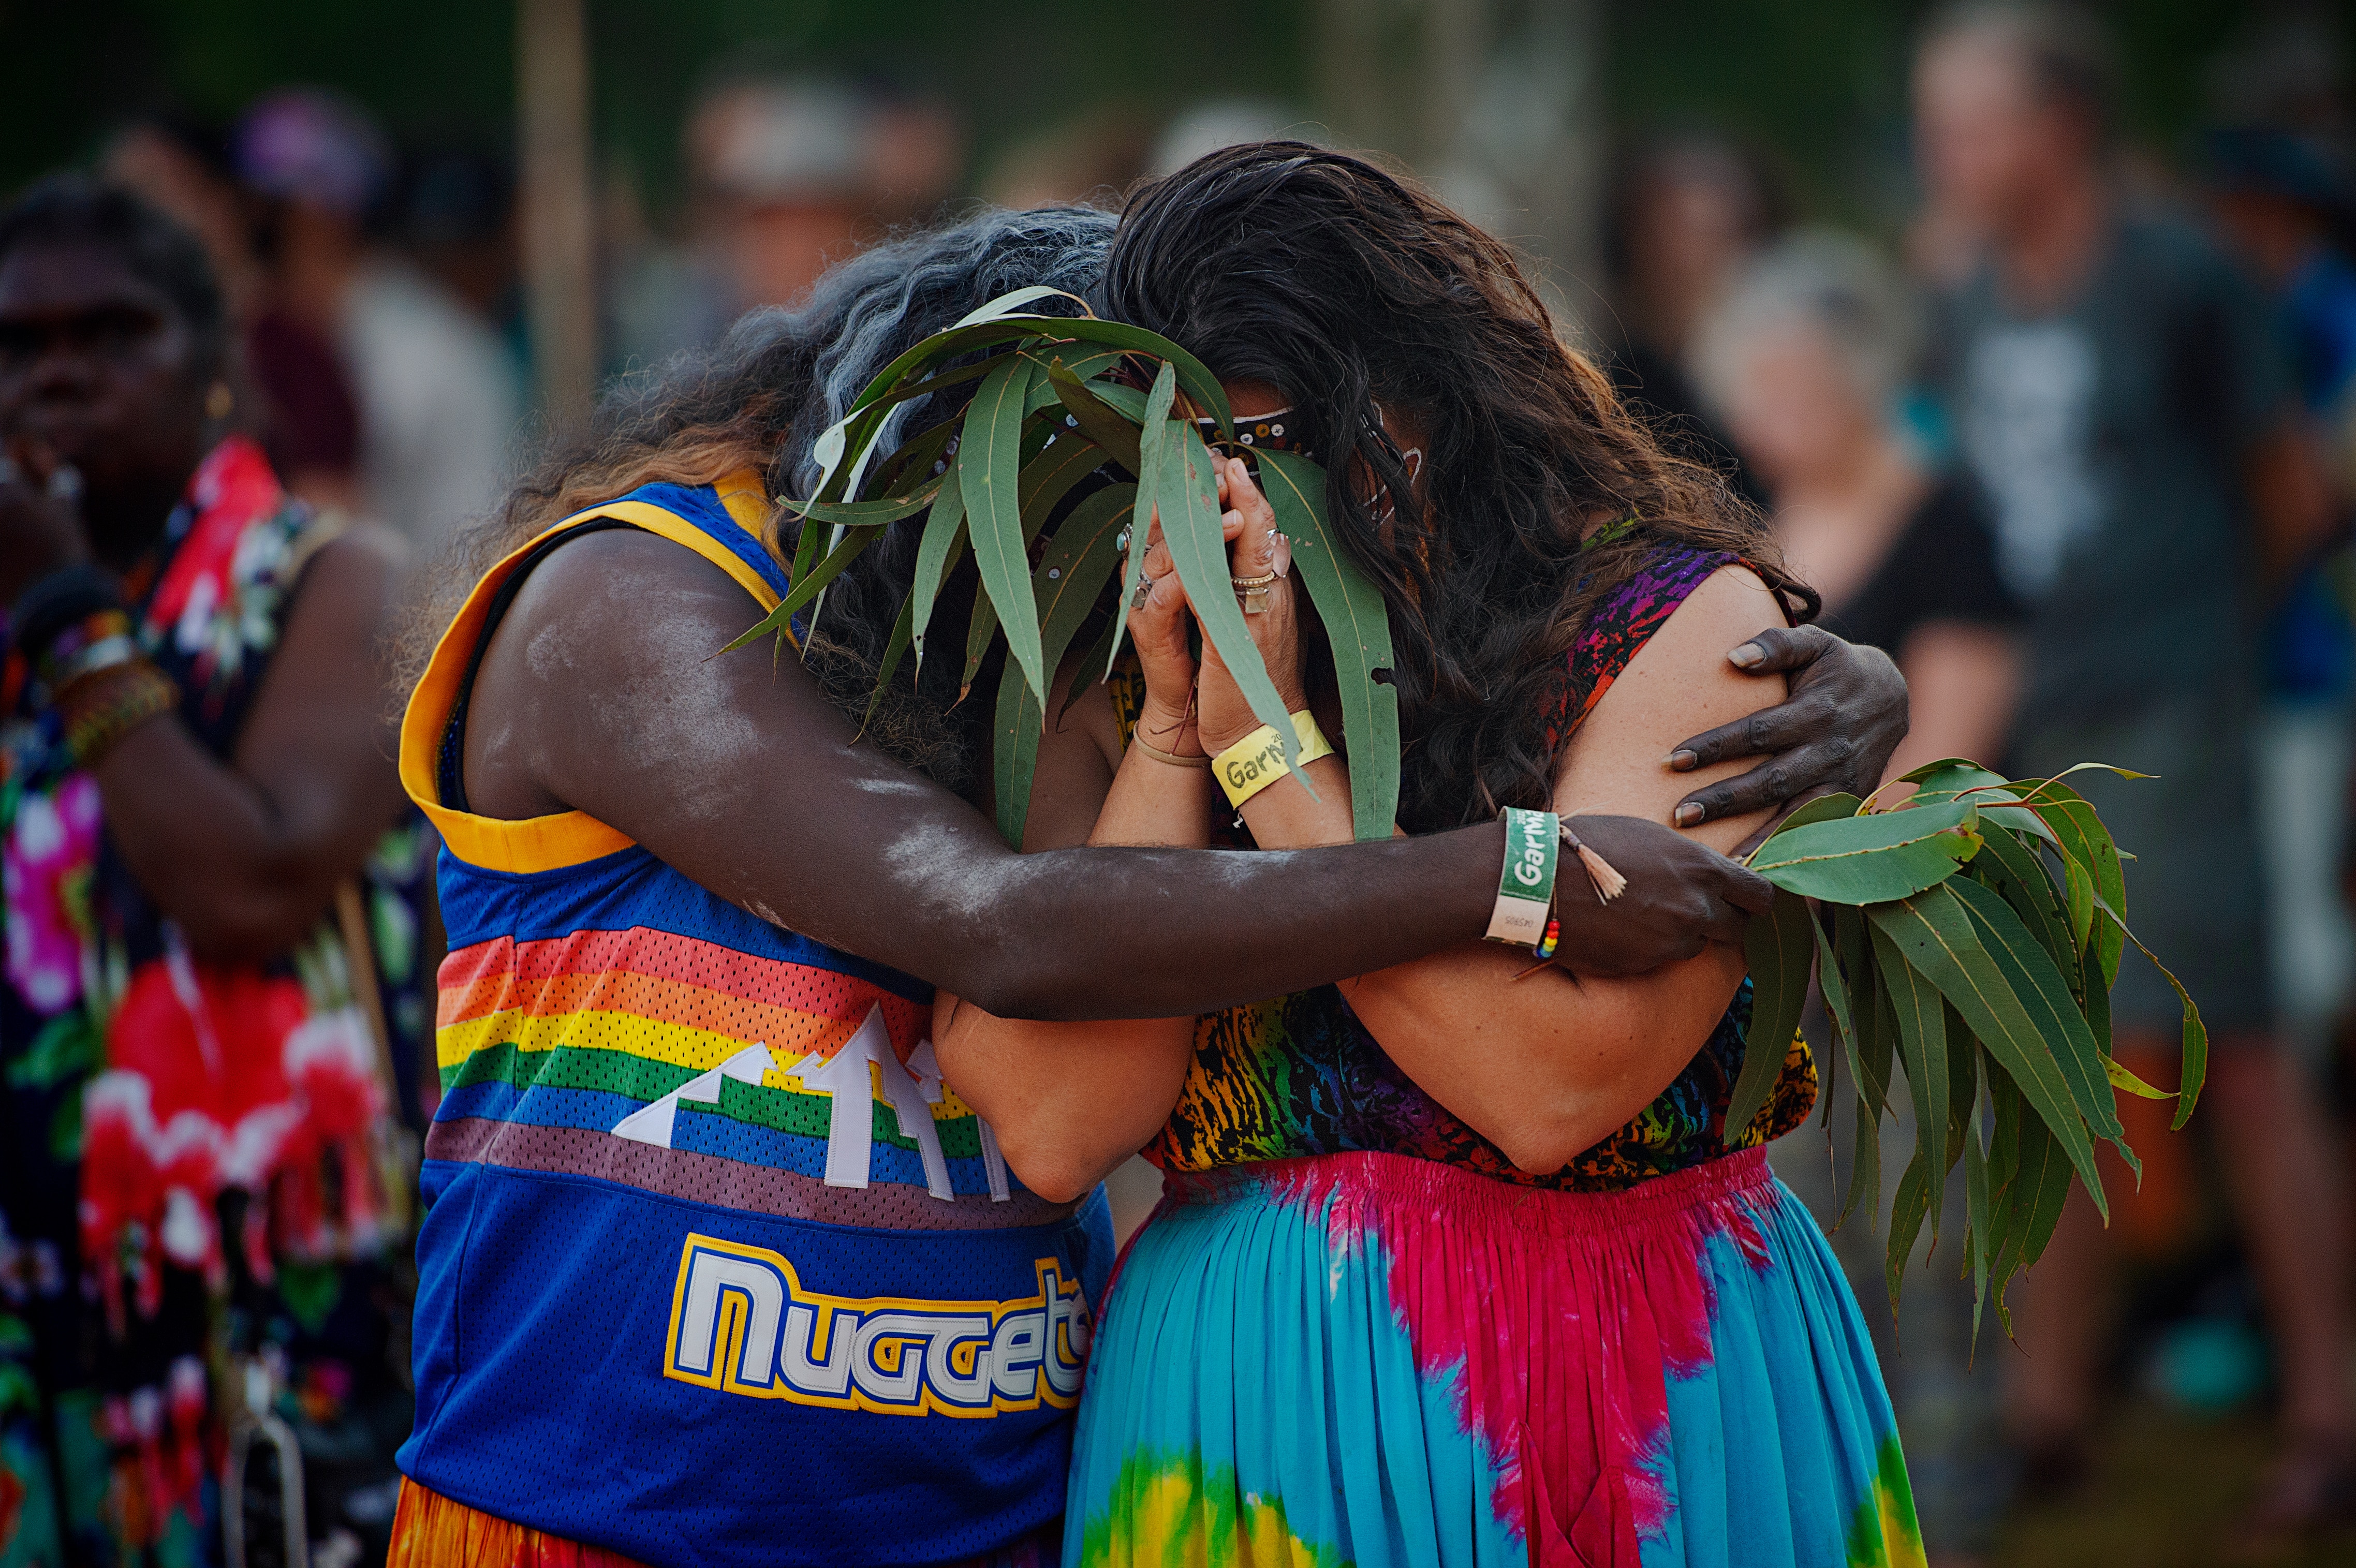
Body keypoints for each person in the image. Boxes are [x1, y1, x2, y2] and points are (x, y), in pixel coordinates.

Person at [380, 203, 1914, 1566]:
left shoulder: (1065, 633)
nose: (1136, 523)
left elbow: (1526, 1076)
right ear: (910, 443)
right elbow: (1015, 945)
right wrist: (1499, 869)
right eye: (1087, 475)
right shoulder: (634, 597)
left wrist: (1832, 684)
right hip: (615, 1506)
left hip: (992, 1491)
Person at [932, 145, 1926, 1567]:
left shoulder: (1683, 629)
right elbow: (1055, 1122)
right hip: (1254, 1403)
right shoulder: (1135, 649)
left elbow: (1546, 1088)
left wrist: (1272, 755)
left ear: (1421, 402)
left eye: (1267, 446)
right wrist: (1169, 733)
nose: (1229, 512)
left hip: (1636, 1380)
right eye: (1176, 459)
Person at [1913, 4, 2350, 1541]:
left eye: (1967, 126)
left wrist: (2191, 646)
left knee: (2230, 1054)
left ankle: (2322, 1411)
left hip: (2174, 718)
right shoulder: (1963, 291)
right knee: (2051, 1055)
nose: (1941, 157)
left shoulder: (2175, 274)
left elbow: (2289, 489)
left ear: (2058, 129)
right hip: (2032, 727)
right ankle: (2043, 1407)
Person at [0, 179, 430, 1566]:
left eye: (112, 334)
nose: (58, 371)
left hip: (271, 1309)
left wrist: (66, 611)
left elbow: (255, 883)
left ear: (213, 371)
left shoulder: (339, 580)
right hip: (39, 1274)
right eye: (19, 343)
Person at [1696, 229, 2024, 1565]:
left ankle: (1950, 1499)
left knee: (1925, 1235)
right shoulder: (1747, 525)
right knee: (1796, 1227)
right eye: (1750, 386)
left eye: (1791, 385)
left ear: (1859, 377)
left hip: (1909, 944)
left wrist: (1800, 872)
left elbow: (1952, 752)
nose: (1766, 415)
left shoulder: (1945, 516)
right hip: (1775, 953)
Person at [1695, 230, 2023, 784]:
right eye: (1749, 398)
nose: (1754, 425)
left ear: (1857, 379)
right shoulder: (1757, 515)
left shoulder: (1951, 528)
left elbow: (1943, 772)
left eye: (1786, 396)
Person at [235, 89, 520, 564]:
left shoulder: (433, 351)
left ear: (317, 217)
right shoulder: (266, 333)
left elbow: (471, 539)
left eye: (263, 210)